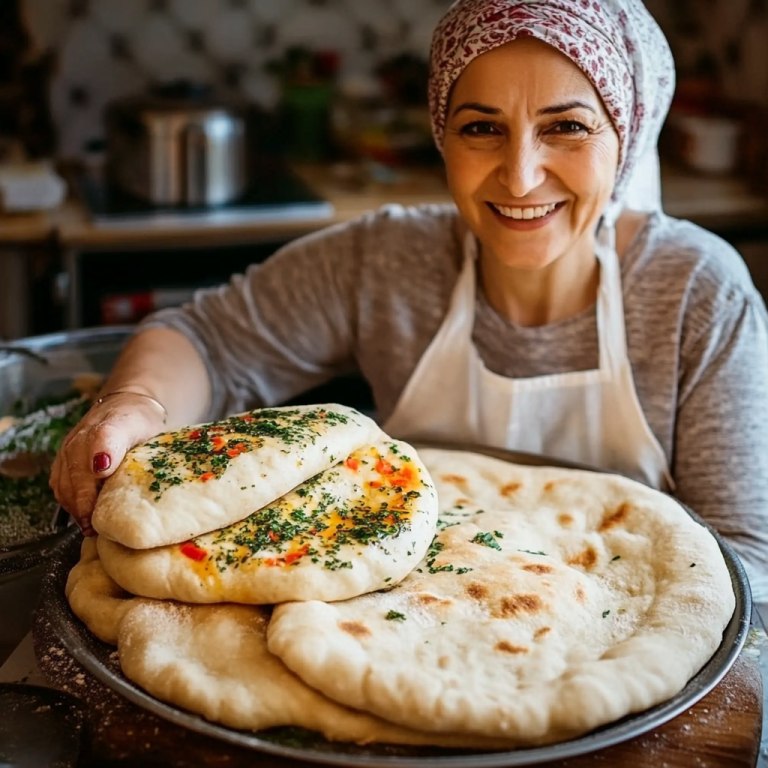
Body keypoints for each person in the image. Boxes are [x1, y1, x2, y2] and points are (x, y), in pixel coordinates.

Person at [51, 0, 768, 602]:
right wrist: (136, 405)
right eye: (481, 127)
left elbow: (746, 564)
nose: (520, 178)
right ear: (441, 136)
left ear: (627, 138)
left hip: (610, 634)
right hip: (411, 625)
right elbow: (205, 340)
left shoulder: (695, 293)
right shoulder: (388, 263)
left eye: (567, 127)